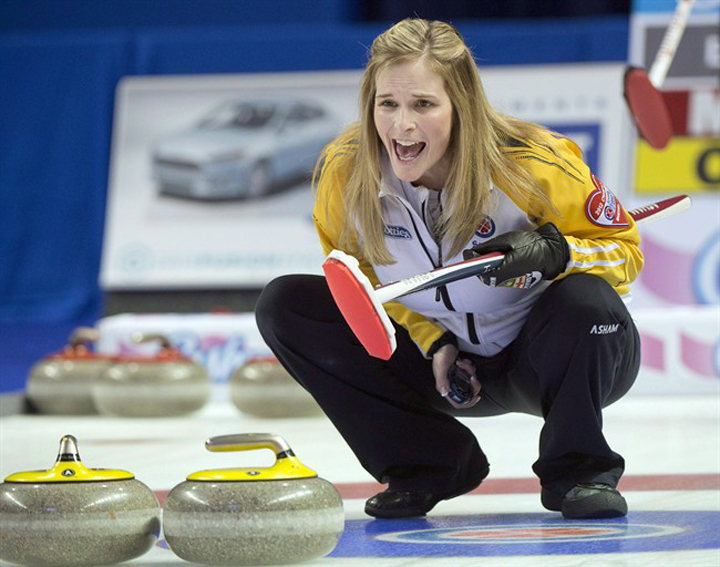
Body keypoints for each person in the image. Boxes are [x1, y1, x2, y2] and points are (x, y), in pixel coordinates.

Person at [256, 18, 643, 520]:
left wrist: (556, 254)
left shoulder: (534, 163)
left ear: (462, 105)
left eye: (423, 104)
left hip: (545, 361)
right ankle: (428, 463)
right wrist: (433, 341)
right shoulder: (345, 173)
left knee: (586, 300)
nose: (402, 126)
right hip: (442, 369)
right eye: (387, 104)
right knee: (287, 305)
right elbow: (366, 286)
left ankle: (580, 471)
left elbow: (626, 253)